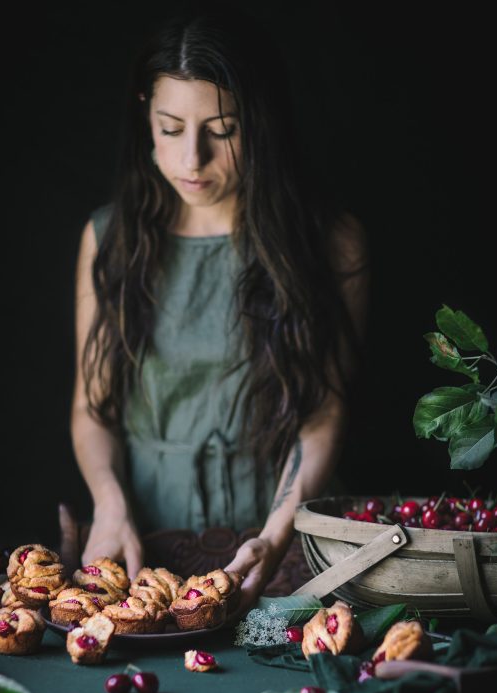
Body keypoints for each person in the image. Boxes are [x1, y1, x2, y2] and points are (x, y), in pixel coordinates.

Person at [71, 3, 369, 623]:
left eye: (223, 129)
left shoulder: (332, 241)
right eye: (171, 127)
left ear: (261, 124)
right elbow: (91, 409)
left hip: (283, 557)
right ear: (145, 116)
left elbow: (324, 413)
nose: (192, 160)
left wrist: (279, 532)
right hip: (139, 556)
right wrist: (108, 504)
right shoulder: (111, 239)